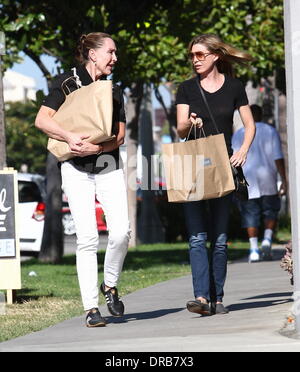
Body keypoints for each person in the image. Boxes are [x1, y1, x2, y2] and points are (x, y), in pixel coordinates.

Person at [35, 32, 131, 327]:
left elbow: (121, 135)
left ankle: (110, 284)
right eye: (110, 52)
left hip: (108, 165)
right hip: (75, 169)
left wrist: (99, 147)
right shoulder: (67, 82)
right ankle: (91, 308)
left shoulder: (114, 90)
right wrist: (70, 137)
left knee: (121, 233)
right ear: (93, 54)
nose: (115, 58)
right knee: (87, 238)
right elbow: (42, 119)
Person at [176, 34, 255, 316]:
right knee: (197, 236)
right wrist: (189, 122)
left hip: (223, 164)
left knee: (220, 238)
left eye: (200, 55)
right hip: (194, 166)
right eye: (192, 56)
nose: (195, 60)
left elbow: (249, 123)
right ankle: (201, 297)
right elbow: (180, 130)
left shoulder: (234, 87)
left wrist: (243, 150)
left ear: (215, 56)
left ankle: (217, 297)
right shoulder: (186, 89)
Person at [232, 104, 287, 262]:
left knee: (250, 215)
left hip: (247, 180)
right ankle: (267, 239)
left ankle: (254, 249)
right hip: (268, 178)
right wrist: (284, 179)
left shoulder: (238, 134)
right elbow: (278, 157)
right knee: (271, 210)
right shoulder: (270, 131)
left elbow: (233, 160)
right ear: (261, 115)